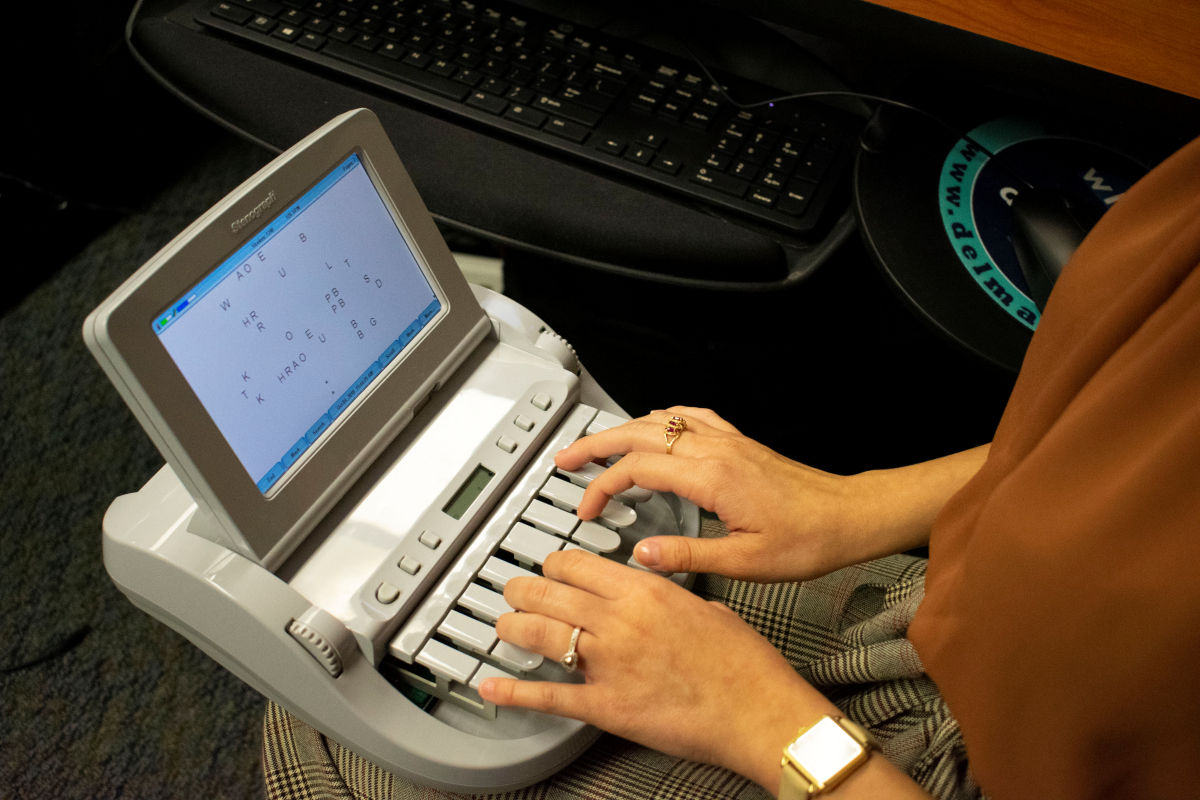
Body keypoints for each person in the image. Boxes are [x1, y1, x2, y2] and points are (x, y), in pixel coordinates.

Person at [263, 134, 1200, 799]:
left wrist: (769, 726)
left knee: (338, 742)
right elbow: (1114, 435)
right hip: (996, 623)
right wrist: (859, 502)